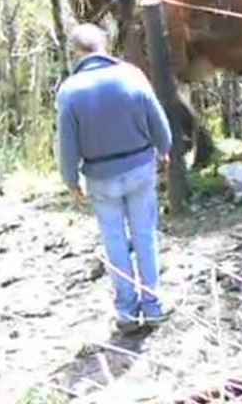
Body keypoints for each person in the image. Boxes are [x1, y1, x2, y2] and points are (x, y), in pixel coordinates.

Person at [56, 22, 173, 333]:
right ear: (103, 46)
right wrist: (164, 148)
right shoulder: (131, 75)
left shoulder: (69, 91)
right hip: (139, 167)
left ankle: (126, 311)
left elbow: (67, 144)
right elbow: (157, 117)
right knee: (145, 233)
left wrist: (71, 181)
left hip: (100, 175)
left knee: (114, 241)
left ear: (76, 53)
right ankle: (153, 304)